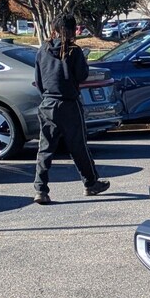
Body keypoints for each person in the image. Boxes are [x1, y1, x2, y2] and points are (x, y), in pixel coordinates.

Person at [32, 14, 110, 205]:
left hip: (48, 103)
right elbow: (82, 75)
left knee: (45, 149)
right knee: (78, 146)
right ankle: (90, 183)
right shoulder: (74, 51)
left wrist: (48, 96)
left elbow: (39, 80)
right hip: (68, 103)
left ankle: (40, 190)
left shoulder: (43, 49)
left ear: (55, 28)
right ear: (72, 29)